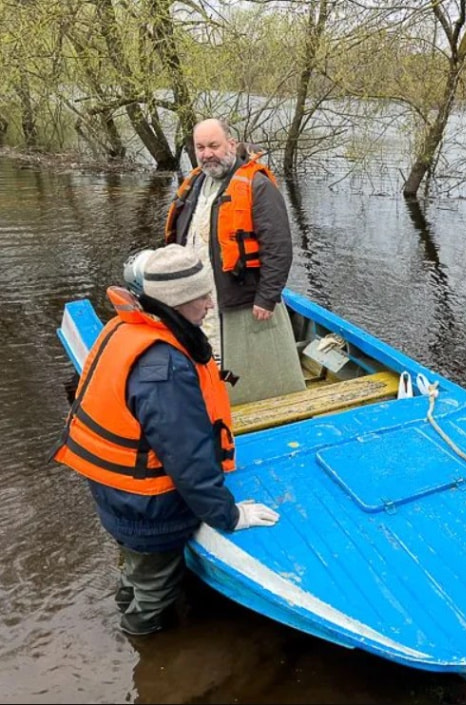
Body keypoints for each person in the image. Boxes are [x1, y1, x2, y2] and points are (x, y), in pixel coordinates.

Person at [51, 244, 281, 636]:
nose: (211, 304)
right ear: (175, 303)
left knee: (137, 570)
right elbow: (188, 458)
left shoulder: (125, 327)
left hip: (116, 493)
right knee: (156, 588)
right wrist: (228, 515)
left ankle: (128, 601)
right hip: (147, 505)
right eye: (201, 297)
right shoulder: (164, 368)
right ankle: (143, 641)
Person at [164, 117, 306, 406]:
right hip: (200, 295)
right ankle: (210, 394)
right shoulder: (197, 182)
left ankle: (246, 398)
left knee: (235, 359)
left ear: (231, 143)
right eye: (200, 147)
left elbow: (278, 246)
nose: (207, 154)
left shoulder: (258, 186)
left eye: (214, 145)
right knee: (205, 352)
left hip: (238, 294)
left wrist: (267, 297)